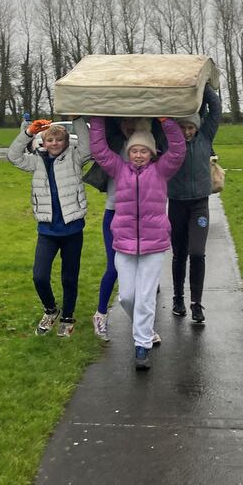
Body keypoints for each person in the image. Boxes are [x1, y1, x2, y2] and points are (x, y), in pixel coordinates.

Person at [90, 116, 185, 370]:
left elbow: (178, 149)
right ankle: (143, 328)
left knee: (144, 297)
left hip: (153, 246)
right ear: (128, 152)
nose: (139, 155)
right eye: (134, 150)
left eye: (144, 150)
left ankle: (141, 346)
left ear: (152, 153)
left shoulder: (161, 170)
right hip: (124, 244)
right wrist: (97, 118)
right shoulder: (119, 170)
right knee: (126, 297)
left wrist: (166, 120)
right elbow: (99, 149)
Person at [7, 115, 91, 337]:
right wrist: (28, 132)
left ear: (65, 142)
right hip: (47, 231)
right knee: (39, 276)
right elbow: (13, 156)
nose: (54, 144)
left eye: (59, 140)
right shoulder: (36, 160)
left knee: (69, 277)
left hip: (72, 229)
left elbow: (88, 146)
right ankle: (51, 310)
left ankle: (68, 316)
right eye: (50, 140)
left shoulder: (75, 158)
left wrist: (78, 119)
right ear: (43, 141)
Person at [92, 117, 153, 342]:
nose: (130, 126)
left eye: (135, 122)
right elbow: (96, 143)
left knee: (143, 276)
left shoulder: (150, 153)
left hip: (142, 220)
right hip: (115, 214)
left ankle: (143, 326)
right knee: (114, 268)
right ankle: (100, 315)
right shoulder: (115, 150)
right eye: (125, 122)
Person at [167, 84, 222, 324]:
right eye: (183, 127)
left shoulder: (205, 135)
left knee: (197, 253)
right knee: (179, 254)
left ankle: (196, 304)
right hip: (176, 203)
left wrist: (205, 86)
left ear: (197, 126)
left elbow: (216, 107)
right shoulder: (169, 141)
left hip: (199, 204)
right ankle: (178, 298)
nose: (187, 132)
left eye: (190, 127)